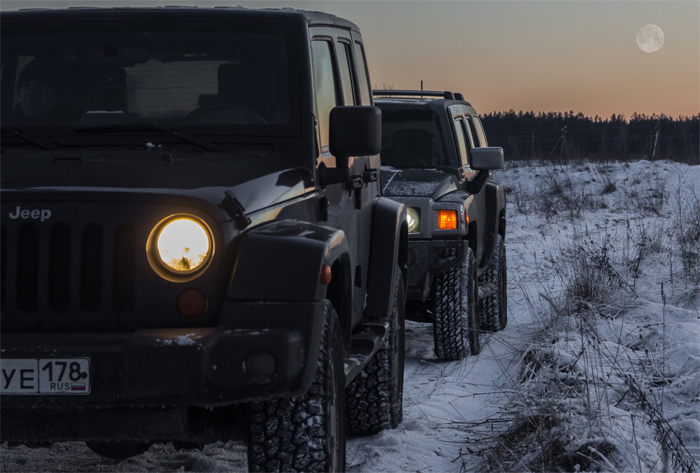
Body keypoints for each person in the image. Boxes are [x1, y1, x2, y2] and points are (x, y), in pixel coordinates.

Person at [12, 59, 79, 125]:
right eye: (25, 85)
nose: (30, 91)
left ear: (57, 96)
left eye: (40, 85)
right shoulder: (5, 127)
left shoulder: (74, 129)